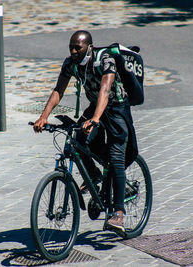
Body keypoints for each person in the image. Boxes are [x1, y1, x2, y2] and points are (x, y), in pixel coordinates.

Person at [33, 30, 138, 233]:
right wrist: (43, 116)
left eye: (77, 47)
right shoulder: (70, 63)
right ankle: (96, 177)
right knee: (78, 141)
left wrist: (96, 119)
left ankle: (118, 213)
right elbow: (58, 90)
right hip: (96, 106)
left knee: (116, 156)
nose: (73, 51)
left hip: (116, 108)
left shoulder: (104, 60)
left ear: (89, 46)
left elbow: (105, 90)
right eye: (71, 47)